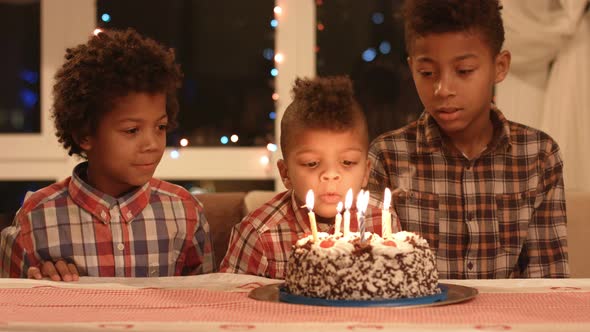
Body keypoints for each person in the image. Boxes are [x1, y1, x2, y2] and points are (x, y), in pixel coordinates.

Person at [368, 0, 569, 278]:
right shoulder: (388, 155)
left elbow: (548, 280)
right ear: (412, 67)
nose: (442, 89)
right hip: (417, 319)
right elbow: (377, 275)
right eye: (427, 73)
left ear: (499, 66)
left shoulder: (538, 155)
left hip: (510, 319)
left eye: (463, 71)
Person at [0, 28, 214, 280]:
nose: (153, 144)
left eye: (161, 127)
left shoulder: (186, 212)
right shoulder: (35, 220)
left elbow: (207, 301)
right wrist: (44, 286)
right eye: (132, 130)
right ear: (84, 135)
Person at [220, 76, 387, 279]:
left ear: (366, 171)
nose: (330, 175)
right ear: (285, 173)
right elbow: (232, 303)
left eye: (348, 162)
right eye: (311, 164)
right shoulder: (259, 235)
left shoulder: (382, 222)